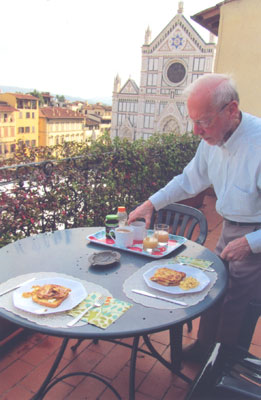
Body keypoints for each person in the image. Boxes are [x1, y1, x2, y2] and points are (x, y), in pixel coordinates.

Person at [128, 73, 261, 361]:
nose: (195, 131)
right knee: (211, 292)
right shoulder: (211, 141)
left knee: (236, 307)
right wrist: (151, 204)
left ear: (232, 110)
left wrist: (251, 242)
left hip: (256, 237)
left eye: (203, 121)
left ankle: (223, 370)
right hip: (229, 228)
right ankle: (204, 351)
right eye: (193, 121)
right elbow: (189, 179)